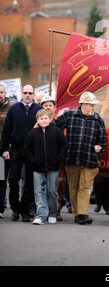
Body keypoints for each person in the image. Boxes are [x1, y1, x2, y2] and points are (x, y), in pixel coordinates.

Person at [50, 91, 107, 225]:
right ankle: (77, 214)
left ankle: (82, 213)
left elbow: (103, 141)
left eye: (94, 105)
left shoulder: (98, 119)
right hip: (72, 158)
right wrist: (61, 149)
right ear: (83, 105)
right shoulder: (70, 115)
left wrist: (96, 153)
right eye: (91, 105)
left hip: (89, 160)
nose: (94, 107)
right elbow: (54, 126)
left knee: (85, 187)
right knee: (74, 186)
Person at [2, 84, 42, 222]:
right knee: (12, 179)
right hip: (16, 150)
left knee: (30, 181)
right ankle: (15, 209)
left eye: (30, 93)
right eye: (25, 92)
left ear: (33, 94)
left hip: (32, 151)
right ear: (22, 93)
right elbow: (6, 130)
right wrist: (5, 149)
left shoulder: (39, 109)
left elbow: (45, 127)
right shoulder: (13, 109)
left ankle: (25, 211)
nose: (27, 95)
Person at [23, 109, 68, 225]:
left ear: (50, 119)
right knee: (39, 191)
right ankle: (40, 215)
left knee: (52, 191)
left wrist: (58, 158)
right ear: (37, 120)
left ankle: (52, 213)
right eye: (41, 119)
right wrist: (33, 161)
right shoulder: (31, 134)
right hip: (38, 168)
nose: (43, 120)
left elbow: (64, 146)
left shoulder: (57, 132)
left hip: (53, 167)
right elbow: (27, 149)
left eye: (45, 118)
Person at [40, 95, 69, 221]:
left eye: (50, 105)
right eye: (45, 105)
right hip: (41, 159)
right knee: (41, 186)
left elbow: (64, 139)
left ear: (54, 107)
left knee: (58, 185)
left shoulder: (60, 120)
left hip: (57, 159)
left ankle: (55, 210)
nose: (48, 107)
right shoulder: (38, 120)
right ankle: (42, 210)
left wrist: (60, 155)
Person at [0, 84, 12, 218]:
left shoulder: (11, 109)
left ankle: (0, 208)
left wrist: (7, 148)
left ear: (5, 93)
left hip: (2, 151)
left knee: (1, 180)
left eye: (1, 92)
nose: (0, 94)